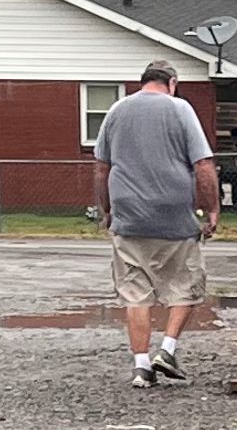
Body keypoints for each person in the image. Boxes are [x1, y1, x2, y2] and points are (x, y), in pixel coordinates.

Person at [92, 60, 218, 387]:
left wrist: (106, 209)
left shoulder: (117, 110)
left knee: (135, 293)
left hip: (128, 214)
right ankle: (168, 348)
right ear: (171, 82)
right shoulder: (180, 109)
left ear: (143, 81)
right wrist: (212, 208)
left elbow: (102, 167)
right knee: (185, 285)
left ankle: (141, 366)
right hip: (173, 214)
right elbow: (202, 164)